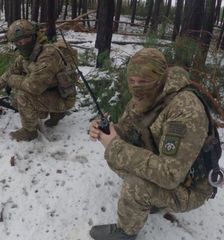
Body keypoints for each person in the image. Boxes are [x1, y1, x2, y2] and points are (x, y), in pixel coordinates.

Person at [88, 48, 215, 240]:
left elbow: (170, 175)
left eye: (144, 81)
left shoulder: (185, 111)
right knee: (118, 154)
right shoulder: (148, 93)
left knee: (136, 185)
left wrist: (114, 145)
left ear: (160, 78)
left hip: (190, 186)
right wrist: (107, 130)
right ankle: (152, 201)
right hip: (169, 167)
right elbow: (127, 128)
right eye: (132, 81)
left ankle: (126, 233)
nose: (137, 86)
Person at [0, 19, 77, 142]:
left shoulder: (48, 55)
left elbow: (34, 87)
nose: (23, 43)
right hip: (54, 91)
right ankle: (56, 113)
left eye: (26, 38)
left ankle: (29, 131)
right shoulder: (26, 56)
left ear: (34, 36)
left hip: (64, 97)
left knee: (23, 96)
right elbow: (10, 73)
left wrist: (12, 80)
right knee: (15, 99)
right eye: (19, 41)